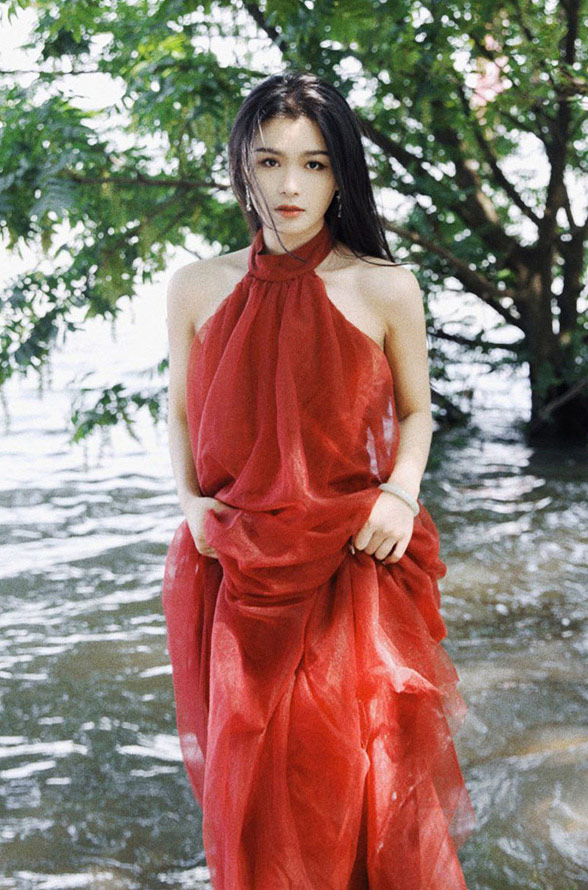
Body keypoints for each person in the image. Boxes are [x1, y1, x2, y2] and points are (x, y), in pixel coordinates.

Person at [162, 69, 476, 890]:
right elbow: (182, 414)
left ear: (342, 174)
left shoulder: (384, 285)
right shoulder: (196, 286)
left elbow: (416, 411)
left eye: (314, 163)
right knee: (257, 802)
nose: (291, 186)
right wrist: (191, 503)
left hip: (352, 561)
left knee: (367, 793)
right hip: (236, 564)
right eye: (270, 162)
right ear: (242, 167)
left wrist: (401, 492)